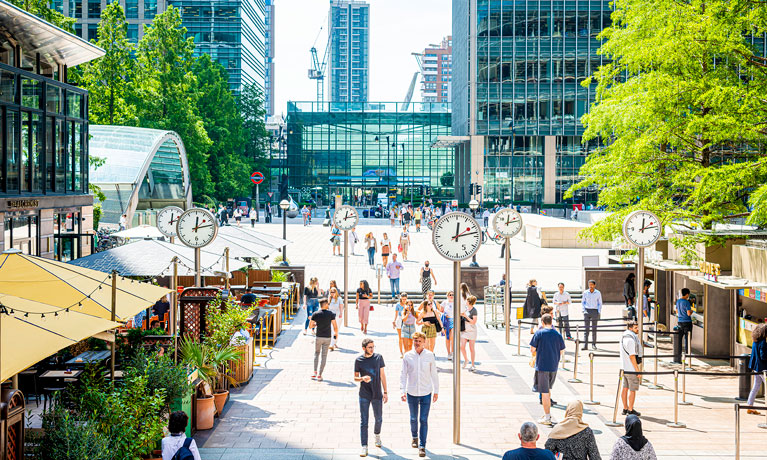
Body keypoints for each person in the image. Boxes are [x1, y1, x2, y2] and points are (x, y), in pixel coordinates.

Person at [400, 332, 439, 458]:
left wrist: (436, 390)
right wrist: (402, 390)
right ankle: (414, 437)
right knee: (413, 418)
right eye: (415, 341)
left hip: (426, 392)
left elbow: (434, 373)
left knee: (423, 419)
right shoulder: (407, 356)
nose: (417, 343)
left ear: (424, 342)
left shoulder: (429, 356)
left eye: (419, 341)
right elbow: (403, 374)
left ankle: (422, 446)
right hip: (411, 392)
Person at [530, 314, 566, 426]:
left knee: (544, 392)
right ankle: (547, 414)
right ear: (551, 321)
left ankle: (547, 417)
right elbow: (562, 350)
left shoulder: (539, 333)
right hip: (554, 366)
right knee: (548, 390)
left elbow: (532, 349)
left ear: (542, 321)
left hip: (542, 366)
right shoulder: (557, 334)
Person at [354, 339, 388, 457]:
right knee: (364, 421)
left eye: (373, 347)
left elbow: (382, 375)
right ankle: (364, 446)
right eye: (370, 347)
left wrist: (386, 392)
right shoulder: (359, 360)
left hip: (377, 393)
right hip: (364, 394)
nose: (372, 349)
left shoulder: (379, 358)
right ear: (364, 348)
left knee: (378, 418)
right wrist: (362, 378)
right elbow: (355, 378)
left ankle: (377, 435)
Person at [309, 298, 338, 381]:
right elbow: (335, 326)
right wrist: (336, 334)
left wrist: (315, 324)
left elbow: (310, 326)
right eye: (328, 304)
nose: (328, 305)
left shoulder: (315, 314)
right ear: (325, 304)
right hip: (327, 337)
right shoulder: (331, 314)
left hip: (318, 337)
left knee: (316, 353)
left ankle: (314, 372)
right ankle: (319, 374)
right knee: (324, 356)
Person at [620, 320, 643, 416]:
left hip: (623, 367)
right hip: (631, 369)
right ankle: (630, 409)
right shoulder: (631, 340)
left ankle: (625, 408)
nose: (637, 329)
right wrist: (638, 371)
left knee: (625, 388)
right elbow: (632, 356)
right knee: (632, 390)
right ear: (630, 328)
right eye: (635, 328)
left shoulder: (623, 337)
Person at [747, 323, 767, 414]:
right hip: (763, 369)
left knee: (756, 386)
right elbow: (763, 356)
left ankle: (750, 406)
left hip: (756, 367)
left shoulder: (755, 341)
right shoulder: (763, 342)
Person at [581, 280, 603, 351]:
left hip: (594, 311)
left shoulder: (598, 293)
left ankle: (594, 344)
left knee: (594, 329)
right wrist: (584, 310)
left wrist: (598, 312)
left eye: (592, 285)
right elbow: (583, 302)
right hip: (587, 311)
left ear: (594, 285)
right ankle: (585, 345)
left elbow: (600, 303)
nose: (590, 286)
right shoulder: (585, 292)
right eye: (589, 284)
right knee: (586, 329)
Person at [460, 295, 479, 371]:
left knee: (471, 348)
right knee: (462, 346)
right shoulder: (465, 309)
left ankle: (473, 364)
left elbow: (474, 322)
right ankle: (466, 359)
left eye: (467, 300)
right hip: (465, 329)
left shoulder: (474, 310)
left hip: (472, 330)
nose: (466, 302)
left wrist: (466, 316)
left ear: (469, 302)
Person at [675, 288, 693, 354]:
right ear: (687, 294)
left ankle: (678, 353)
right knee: (687, 338)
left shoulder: (678, 301)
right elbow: (688, 313)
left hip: (680, 321)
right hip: (687, 322)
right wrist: (691, 311)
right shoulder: (687, 302)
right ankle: (687, 352)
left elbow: (676, 311)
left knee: (679, 338)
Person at [442, 291, 455, 361]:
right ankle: (448, 353)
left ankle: (453, 352)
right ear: (447, 296)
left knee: (452, 337)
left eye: (453, 294)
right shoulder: (445, 302)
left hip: (453, 321)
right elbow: (440, 310)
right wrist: (444, 314)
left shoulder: (456, 302)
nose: (451, 296)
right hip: (446, 321)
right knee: (447, 338)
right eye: (450, 295)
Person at [393, 293, 407, 357]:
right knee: (400, 337)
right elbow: (396, 314)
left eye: (405, 299)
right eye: (403, 299)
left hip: (406, 320)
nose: (404, 300)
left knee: (406, 337)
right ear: (401, 298)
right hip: (399, 319)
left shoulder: (408, 304)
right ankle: (401, 352)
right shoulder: (398, 305)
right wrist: (394, 321)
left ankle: (405, 351)